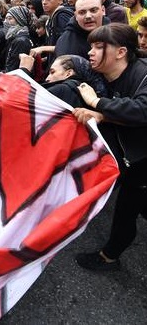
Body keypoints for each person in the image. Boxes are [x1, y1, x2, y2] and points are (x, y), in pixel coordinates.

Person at [73, 23, 147, 271]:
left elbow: (141, 110)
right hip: (134, 157)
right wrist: (102, 115)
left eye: (98, 47)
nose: (90, 52)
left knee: (127, 208)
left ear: (121, 52)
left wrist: (97, 102)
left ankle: (109, 256)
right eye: (90, 46)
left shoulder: (143, 73)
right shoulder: (110, 76)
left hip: (141, 160)